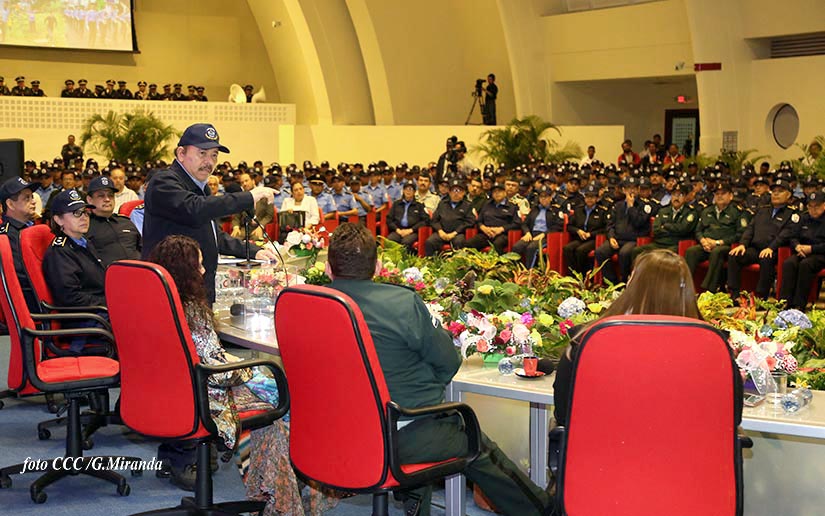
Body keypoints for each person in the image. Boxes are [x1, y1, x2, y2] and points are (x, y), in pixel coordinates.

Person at [326, 223, 554, 516]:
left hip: (332, 432)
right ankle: (545, 511)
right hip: (397, 436)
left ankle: (414, 501)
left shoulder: (309, 303)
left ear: (328, 269)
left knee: (426, 418)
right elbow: (448, 362)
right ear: (378, 266)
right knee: (471, 439)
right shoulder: (401, 303)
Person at [148, 235, 341, 511]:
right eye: (198, 265)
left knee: (271, 391)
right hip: (207, 398)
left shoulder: (158, 303)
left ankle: (278, 486)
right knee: (283, 398)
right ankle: (286, 496)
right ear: (184, 271)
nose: (204, 270)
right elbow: (219, 373)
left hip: (169, 392)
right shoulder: (192, 311)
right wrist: (250, 371)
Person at [553, 249, 743, 428]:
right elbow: (732, 418)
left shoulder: (586, 340)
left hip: (601, 450)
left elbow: (564, 413)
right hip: (691, 451)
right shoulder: (715, 348)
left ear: (632, 286)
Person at [142, 123, 277, 303]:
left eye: (214, 155)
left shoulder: (201, 188)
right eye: (202, 153)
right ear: (181, 154)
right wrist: (248, 197)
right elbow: (194, 209)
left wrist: (254, 251)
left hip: (200, 288)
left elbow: (214, 236)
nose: (209, 162)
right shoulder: (164, 182)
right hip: (173, 291)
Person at [42, 190, 107, 352]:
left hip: (98, 313)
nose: (84, 217)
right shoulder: (60, 251)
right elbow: (69, 297)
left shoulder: (83, 242)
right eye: (76, 213)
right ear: (58, 219)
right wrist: (108, 303)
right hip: (85, 322)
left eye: (85, 212)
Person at [728, 179, 799, 299]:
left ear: (788, 195)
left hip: (774, 250)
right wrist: (743, 244)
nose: (776, 194)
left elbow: (786, 234)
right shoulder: (763, 210)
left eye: (780, 191)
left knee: (766, 258)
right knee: (734, 255)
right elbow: (750, 229)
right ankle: (734, 295)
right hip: (755, 249)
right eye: (774, 191)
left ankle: (761, 297)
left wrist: (771, 248)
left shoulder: (792, 214)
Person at [684, 183, 744, 293]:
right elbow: (698, 230)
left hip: (725, 246)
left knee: (717, 252)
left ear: (731, 196)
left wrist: (718, 242)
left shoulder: (737, 212)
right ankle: (685, 285)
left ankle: (708, 289)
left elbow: (740, 234)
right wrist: (702, 240)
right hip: (706, 245)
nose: (719, 196)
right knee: (691, 251)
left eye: (723, 193)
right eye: (717, 194)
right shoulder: (707, 210)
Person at [780, 191, 825, 309]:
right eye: (810, 206)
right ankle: (784, 302)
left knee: (806, 265)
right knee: (789, 263)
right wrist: (797, 246)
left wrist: (812, 249)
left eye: (817, 206)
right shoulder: (803, 218)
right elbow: (792, 236)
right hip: (802, 251)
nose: (813, 210)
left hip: (820, 254)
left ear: (824, 205)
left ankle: (799, 304)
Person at [0, 177, 40, 311]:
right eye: (26, 198)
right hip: (31, 303)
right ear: (10, 204)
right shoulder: (6, 236)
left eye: (32, 197)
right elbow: (23, 275)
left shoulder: (32, 228)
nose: (33, 201)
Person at [85, 176, 141, 268]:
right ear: (89, 200)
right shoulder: (85, 226)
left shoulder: (125, 222)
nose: (107, 199)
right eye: (101, 196)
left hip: (141, 270)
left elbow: (142, 248)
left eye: (110, 195)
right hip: (109, 274)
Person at [631, 183, 697, 261]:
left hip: (675, 245)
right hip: (658, 243)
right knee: (636, 251)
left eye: (680, 195)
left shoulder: (690, 212)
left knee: (665, 256)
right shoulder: (663, 210)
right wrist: (673, 230)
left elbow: (683, 229)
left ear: (685, 197)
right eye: (674, 194)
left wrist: (665, 226)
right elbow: (656, 229)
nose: (677, 198)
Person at [512, 185, 564, 268]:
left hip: (546, 237)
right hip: (532, 234)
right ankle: (518, 270)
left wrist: (544, 234)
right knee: (517, 247)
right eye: (541, 197)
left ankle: (529, 272)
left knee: (531, 248)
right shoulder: (534, 209)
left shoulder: (556, 210)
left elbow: (558, 226)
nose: (543, 199)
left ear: (550, 198)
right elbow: (524, 223)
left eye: (546, 196)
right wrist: (527, 232)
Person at [563, 184, 608, 275]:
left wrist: (591, 234)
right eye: (587, 196)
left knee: (581, 250)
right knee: (567, 248)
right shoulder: (578, 210)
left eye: (592, 197)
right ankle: (572, 275)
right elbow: (569, 226)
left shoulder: (602, 212)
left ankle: (583, 276)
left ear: (597, 198)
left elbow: (604, 229)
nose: (589, 199)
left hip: (593, 239)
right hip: (580, 237)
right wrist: (578, 231)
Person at [424, 180, 474, 256]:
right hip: (442, 232)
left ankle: (456, 263)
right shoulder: (442, 204)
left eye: (459, 190)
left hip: (457, 234)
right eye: (453, 190)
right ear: (449, 192)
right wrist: (440, 231)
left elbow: (469, 222)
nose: (456, 193)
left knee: (459, 242)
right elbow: (434, 220)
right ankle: (431, 262)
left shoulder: (467, 205)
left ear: (463, 192)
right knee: (430, 242)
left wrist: (455, 233)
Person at [386, 180, 429, 252]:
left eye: (411, 189)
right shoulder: (396, 204)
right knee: (390, 240)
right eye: (406, 189)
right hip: (398, 230)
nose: (408, 191)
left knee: (406, 242)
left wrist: (411, 230)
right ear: (403, 191)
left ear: (414, 192)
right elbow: (389, 219)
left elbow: (426, 220)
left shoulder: (419, 205)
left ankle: (406, 258)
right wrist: (397, 230)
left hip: (412, 231)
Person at [231, 172, 274, 240]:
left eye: (246, 181)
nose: (244, 184)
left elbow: (269, 215)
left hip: (260, 225)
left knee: (256, 240)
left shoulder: (265, 194)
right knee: (234, 240)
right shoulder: (241, 197)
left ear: (253, 181)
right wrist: (236, 227)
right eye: (242, 182)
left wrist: (261, 226)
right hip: (245, 227)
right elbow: (236, 216)